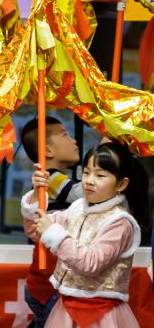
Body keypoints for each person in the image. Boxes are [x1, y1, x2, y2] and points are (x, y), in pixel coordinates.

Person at [22, 142, 150, 327]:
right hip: (65, 307)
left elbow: (91, 263)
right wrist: (36, 194)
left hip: (101, 314)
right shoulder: (76, 208)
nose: (89, 180)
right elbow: (36, 230)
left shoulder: (120, 223)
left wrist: (53, 232)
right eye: (86, 172)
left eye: (100, 175)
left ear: (121, 184)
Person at [19, 117, 82, 327]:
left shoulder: (59, 178)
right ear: (47, 151)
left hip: (51, 281)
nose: (74, 141)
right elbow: (82, 194)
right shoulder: (50, 178)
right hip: (51, 284)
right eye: (65, 135)